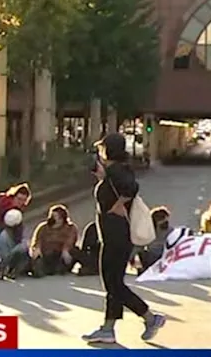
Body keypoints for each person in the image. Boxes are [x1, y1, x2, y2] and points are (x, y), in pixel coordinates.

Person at [82, 132, 166, 345]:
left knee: (114, 283)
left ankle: (149, 317)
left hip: (117, 235)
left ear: (108, 148)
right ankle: (109, 329)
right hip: (112, 235)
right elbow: (120, 186)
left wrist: (120, 203)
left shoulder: (117, 169)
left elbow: (131, 187)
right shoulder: (113, 170)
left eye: (102, 147)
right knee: (112, 282)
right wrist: (104, 179)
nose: (100, 151)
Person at [30, 204, 79, 277]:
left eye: (58, 217)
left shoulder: (70, 228)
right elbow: (38, 239)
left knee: (74, 252)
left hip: (60, 254)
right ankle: (38, 268)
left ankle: (61, 268)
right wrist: (37, 248)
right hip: (46, 253)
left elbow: (70, 240)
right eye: (54, 217)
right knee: (38, 261)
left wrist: (65, 250)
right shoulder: (43, 227)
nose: (56, 219)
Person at [0, 209, 31, 278]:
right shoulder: (4, 236)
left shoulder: (23, 231)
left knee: (24, 251)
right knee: (21, 249)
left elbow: (27, 244)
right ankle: (7, 270)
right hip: (8, 259)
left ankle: (16, 271)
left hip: (18, 257)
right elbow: (3, 255)